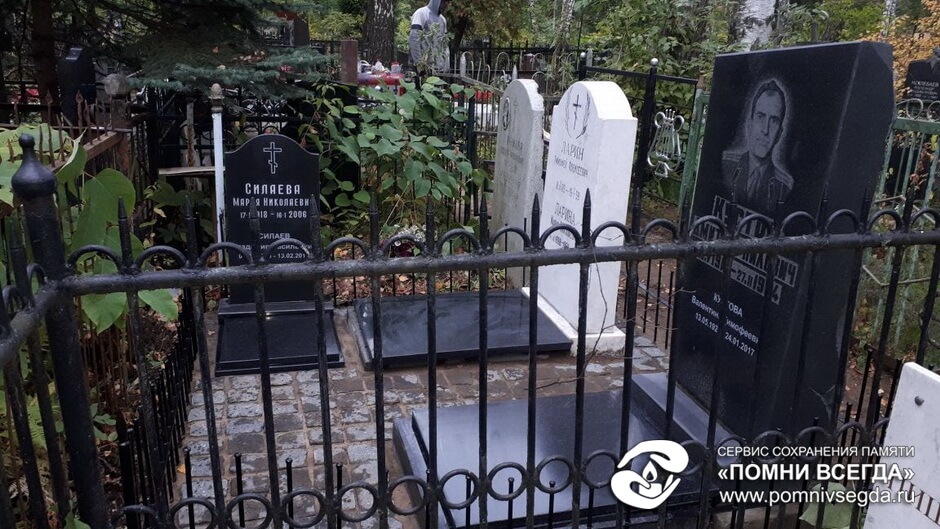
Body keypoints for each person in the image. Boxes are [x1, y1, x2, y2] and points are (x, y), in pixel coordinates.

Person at [723, 80, 794, 213]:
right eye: (760, 116)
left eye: (774, 121)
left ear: (779, 133)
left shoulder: (783, 187)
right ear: (749, 124)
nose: (765, 130)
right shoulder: (726, 165)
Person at [409, 0, 450, 74]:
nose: (447, 4)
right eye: (444, 1)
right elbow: (414, 39)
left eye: (448, 2)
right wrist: (420, 65)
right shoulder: (421, 13)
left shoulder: (443, 20)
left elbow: (444, 44)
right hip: (423, 67)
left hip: (438, 69)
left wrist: (445, 65)